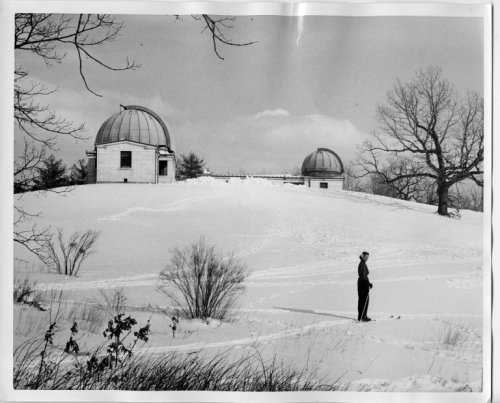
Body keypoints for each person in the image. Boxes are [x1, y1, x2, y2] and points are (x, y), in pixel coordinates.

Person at [357, 251, 373, 322]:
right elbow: (363, 276)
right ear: (362, 256)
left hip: (362, 283)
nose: (366, 258)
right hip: (363, 283)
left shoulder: (363, 263)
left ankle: (361, 316)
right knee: (364, 300)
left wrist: (368, 283)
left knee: (362, 300)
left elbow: (364, 276)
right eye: (365, 257)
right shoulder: (362, 264)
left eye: (367, 257)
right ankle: (363, 316)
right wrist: (367, 283)